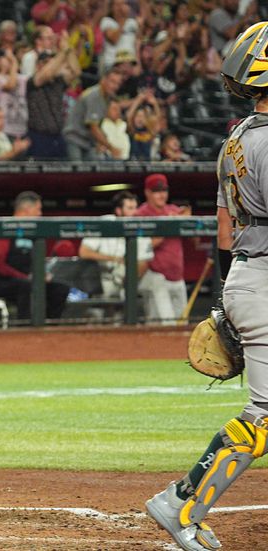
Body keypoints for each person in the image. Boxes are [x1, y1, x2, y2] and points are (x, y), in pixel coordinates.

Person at [146, 22, 268, 551]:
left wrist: (227, 303)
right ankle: (181, 503)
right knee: (263, 420)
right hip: (264, 281)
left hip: (248, 277)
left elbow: (224, 232)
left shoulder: (236, 141)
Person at [0, 191, 69, 322]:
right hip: (2, 282)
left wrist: (42, 274)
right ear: (27, 209)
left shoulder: (33, 232)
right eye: (38, 210)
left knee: (60, 289)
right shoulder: (4, 228)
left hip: (29, 280)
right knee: (25, 286)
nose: (40, 214)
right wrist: (26, 277)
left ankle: (50, 326)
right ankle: (24, 328)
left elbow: (36, 261)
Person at [78, 191, 152, 299]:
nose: (135, 212)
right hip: (102, 279)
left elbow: (144, 263)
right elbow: (84, 252)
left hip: (129, 281)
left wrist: (128, 280)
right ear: (118, 210)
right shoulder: (104, 223)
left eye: (136, 208)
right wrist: (114, 259)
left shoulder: (140, 227)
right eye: (130, 208)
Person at [136, 173, 189, 324]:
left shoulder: (173, 210)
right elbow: (141, 247)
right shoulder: (141, 214)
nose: (161, 195)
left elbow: (195, 240)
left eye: (164, 191)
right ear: (147, 192)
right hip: (155, 278)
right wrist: (168, 225)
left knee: (181, 327)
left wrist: (187, 219)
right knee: (161, 327)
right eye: (156, 191)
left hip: (178, 278)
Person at [63, 69, 124, 161]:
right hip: (74, 138)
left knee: (93, 169)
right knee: (77, 172)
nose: (115, 86)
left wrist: (101, 142)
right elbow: (93, 128)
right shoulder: (94, 96)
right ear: (103, 80)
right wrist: (111, 147)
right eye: (112, 82)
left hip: (87, 141)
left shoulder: (107, 97)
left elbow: (99, 123)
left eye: (118, 84)